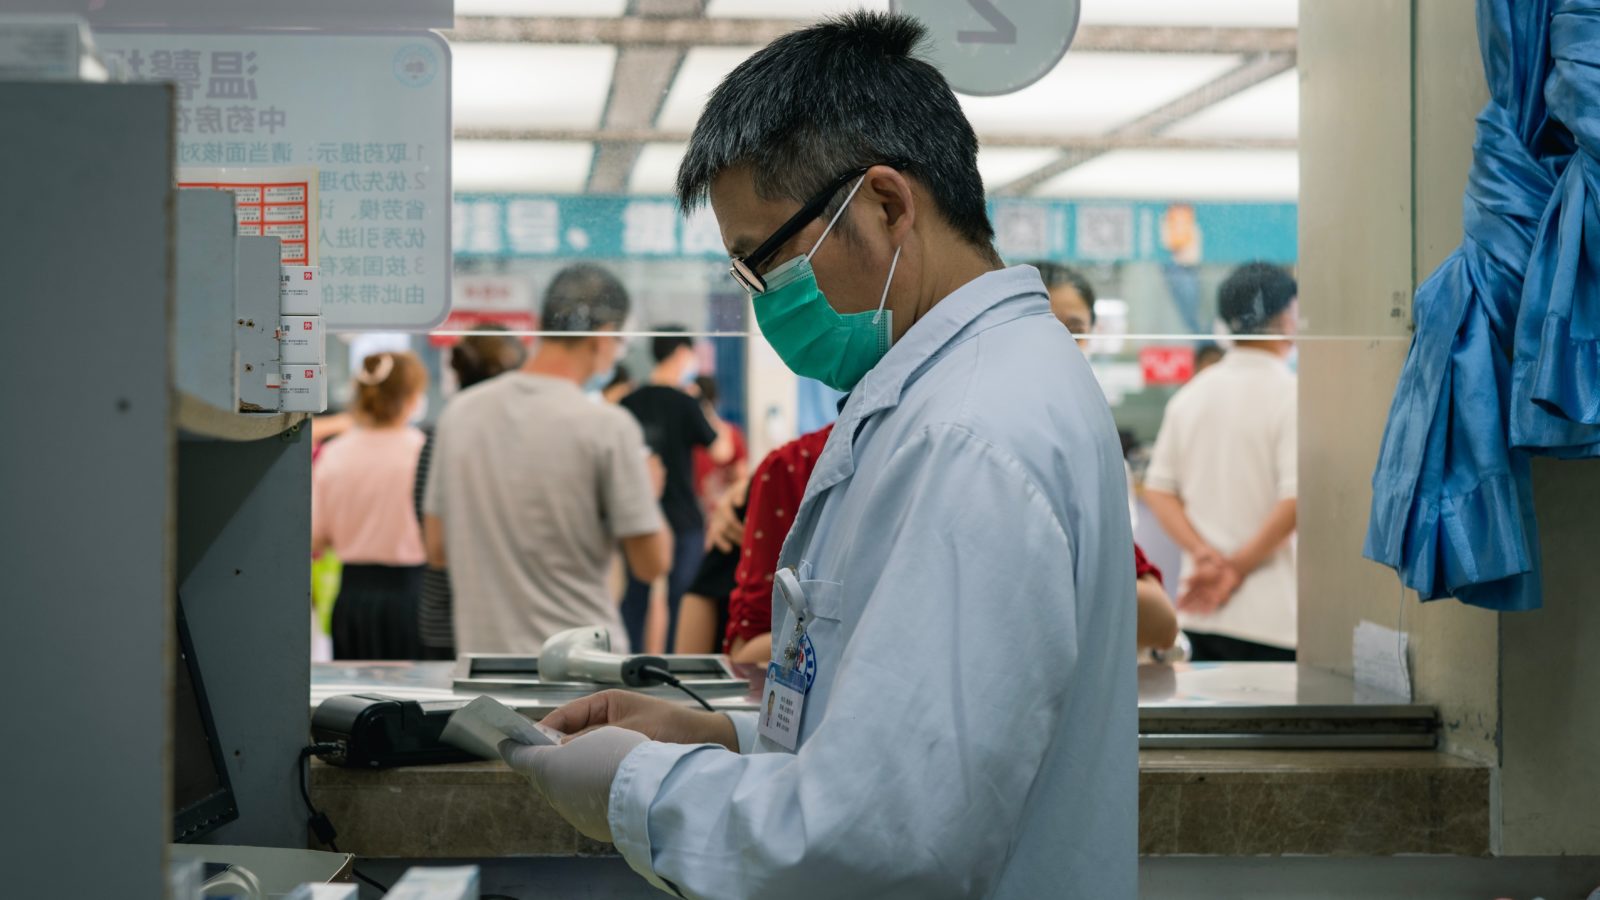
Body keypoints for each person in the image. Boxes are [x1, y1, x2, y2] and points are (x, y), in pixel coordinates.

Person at [496, 14, 1136, 899]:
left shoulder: (970, 435)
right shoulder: (958, 394)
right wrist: (721, 738)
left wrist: (631, 784)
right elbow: (905, 740)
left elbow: (887, 831)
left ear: (884, 204)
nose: (763, 301)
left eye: (764, 261)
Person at [423, 264, 672, 655]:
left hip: (486, 669)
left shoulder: (460, 415)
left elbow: (436, 549)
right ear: (604, 337)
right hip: (584, 672)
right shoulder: (607, 426)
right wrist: (648, 491)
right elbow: (652, 564)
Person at [1144, 261, 1299, 662]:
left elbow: (1159, 492)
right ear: (1286, 316)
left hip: (1200, 611)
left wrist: (1204, 555)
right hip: (1274, 619)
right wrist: (1235, 568)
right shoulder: (1292, 395)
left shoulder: (1191, 396)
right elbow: (1296, 500)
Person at [1034, 261, 1181, 654]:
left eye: (1075, 330)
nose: (1060, 342)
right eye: (1041, 324)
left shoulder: (1088, 435)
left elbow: (1159, 620)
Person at [618, 328, 735, 653]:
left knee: (635, 596)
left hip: (638, 515)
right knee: (681, 599)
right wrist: (702, 404)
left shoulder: (629, 401)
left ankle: (628, 664)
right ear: (682, 354)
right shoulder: (686, 402)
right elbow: (722, 451)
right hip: (683, 516)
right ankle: (675, 668)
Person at [412, 326, 525, 661]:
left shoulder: (443, 432)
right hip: (513, 614)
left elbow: (428, 527)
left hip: (446, 613)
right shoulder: (518, 438)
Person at [312, 351, 429, 660]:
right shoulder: (423, 451)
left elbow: (315, 536)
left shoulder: (335, 453)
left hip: (353, 597)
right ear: (411, 397)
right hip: (413, 597)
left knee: (356, 698)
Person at [691, 375, 749, 520]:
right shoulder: (732, 433)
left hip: (703, 511)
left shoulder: (687, 437)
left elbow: (741, 477)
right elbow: (741, 479)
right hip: (719, 511)